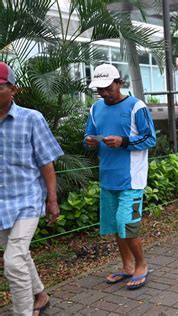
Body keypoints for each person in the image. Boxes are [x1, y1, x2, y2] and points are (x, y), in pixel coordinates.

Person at [84, 64, 156, 290]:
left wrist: (123, 141)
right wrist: (89, 141)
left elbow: (150, 139)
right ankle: (126, 266)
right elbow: (87, 134)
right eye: (100, 90)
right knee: (115, 224)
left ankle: (141, 265)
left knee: (127, 222)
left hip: (131, 179)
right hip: (107, 177)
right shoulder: (96, 108)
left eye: (108, 88)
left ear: (119, 84)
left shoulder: (137, 107)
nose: (104, 93)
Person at [0, 62, 63, 315]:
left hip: (27, 199)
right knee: (20, 254)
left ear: (13, 89)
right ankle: (41, 296)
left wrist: (52, 200)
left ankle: (23, 312)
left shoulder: (31, 119)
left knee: (13, 261)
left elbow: (46, 163)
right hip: (1, 203)